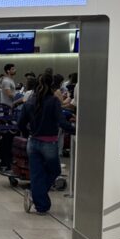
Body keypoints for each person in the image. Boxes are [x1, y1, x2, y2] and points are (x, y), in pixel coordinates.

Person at [18, 74, 76, 215]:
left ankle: (40, 203)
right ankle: (37, 197)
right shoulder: (53, 102)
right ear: (53, 86)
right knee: (54, 171)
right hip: (49, 143)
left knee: (36, 174)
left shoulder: (29, 102)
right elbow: (62, 122)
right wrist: (76, 129)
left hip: (32, 142)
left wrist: (27, 135)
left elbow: (20, 123)